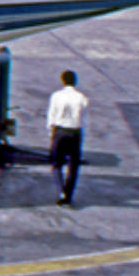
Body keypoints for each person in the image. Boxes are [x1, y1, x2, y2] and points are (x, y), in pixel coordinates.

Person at [48, 70, 89, 205]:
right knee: (73, 165)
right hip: (75, 132)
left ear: (63, 81)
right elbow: (83, 117)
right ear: (75, 82)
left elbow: (51, 116)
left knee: (57, 163)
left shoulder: (56, 96)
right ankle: (69, 194)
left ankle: (61, 191)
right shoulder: (82, 98)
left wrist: (52, 134)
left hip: (60, 130)